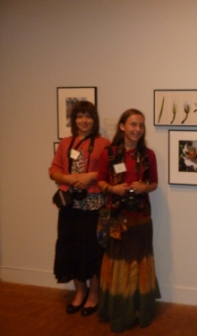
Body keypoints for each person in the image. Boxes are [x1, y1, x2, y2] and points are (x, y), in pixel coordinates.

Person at [97, 109, 160, 333]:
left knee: (140, 263)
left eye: (141, 125)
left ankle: (138, 309)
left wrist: (145, 187)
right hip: (116, 218)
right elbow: (100, 181)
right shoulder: (109, 153)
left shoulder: (148, 155)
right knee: (118, 265)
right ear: (122, 126)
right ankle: (119, 310)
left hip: (141, 218)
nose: (137, 129)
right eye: (133, 124)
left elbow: (154, 183)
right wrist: (113, 188)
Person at [49, 101, 111, 316]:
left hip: (94, 205)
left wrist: (90, 177)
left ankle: (94, 295)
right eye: (79, 116)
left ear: (94, 120)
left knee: (92, 251)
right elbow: (53, 170)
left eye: (88, 116)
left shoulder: (104, 143)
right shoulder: (66, 143)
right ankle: (79, 292)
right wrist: (66, 177)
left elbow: (110, 170)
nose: (84, 121)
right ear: (74, 120)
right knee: (71, 249)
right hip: (69, 206)